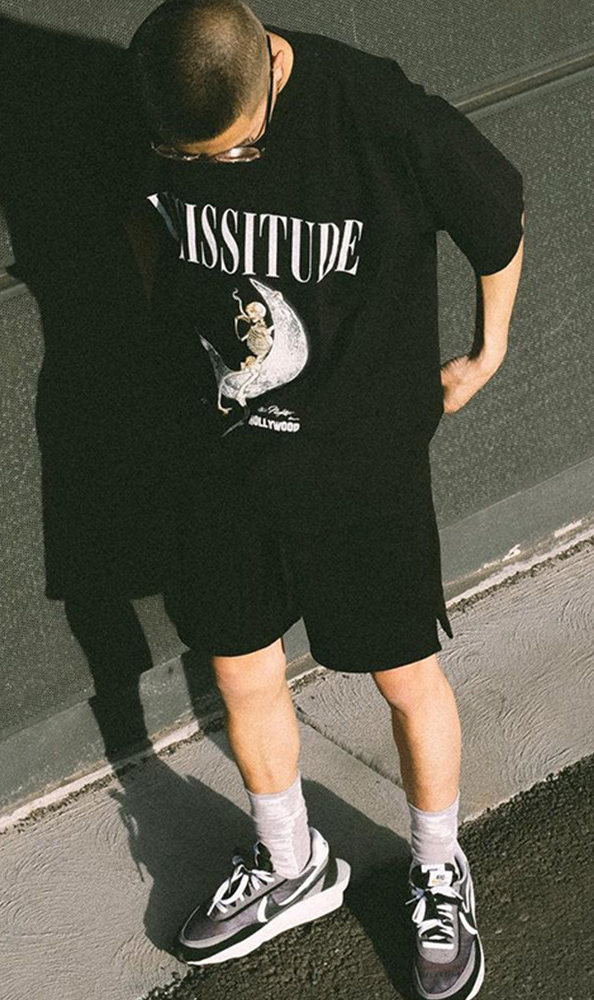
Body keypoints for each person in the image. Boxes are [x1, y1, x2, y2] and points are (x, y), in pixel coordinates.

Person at [126, 2, 525, 997]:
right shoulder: (158, 111)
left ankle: (438, 864)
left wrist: (490, 349)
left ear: (268, 67)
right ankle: (289, 858)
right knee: (240, 667)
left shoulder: (371, 109)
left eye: (237, 150)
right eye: (197, 161)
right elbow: (145, 230)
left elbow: (497, 211)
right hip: (220, 448)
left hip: (359, 461)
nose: (219, 171)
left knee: (405, 676)